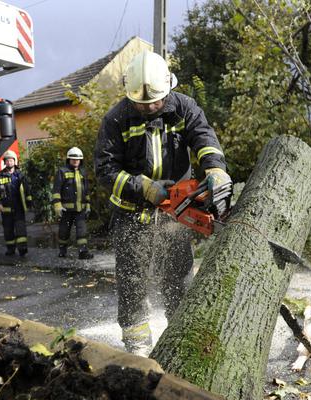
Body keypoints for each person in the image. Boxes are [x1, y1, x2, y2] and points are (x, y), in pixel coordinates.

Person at [94, 50, 232, 356]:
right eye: (142, 103)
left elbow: (203, 135)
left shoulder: (183, 107)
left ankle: (179, 340)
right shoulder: (116, 119)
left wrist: (214, 168)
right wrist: (142, 187)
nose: (150, 107)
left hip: (177, 213)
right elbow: (105, 169)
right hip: (132, 214)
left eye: (155, 101)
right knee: (133, 283)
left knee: (179, 278)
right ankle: (138, 346)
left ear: (168, 88)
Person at [52, 147, 95, 260]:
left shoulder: (83, 172)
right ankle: (62, 250)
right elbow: (56, 190)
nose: (75, 161)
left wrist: (88, 205)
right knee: (64, 231)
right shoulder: (62, 171)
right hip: (66, 210)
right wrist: (57, 205)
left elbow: (86, 190)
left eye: (78, 159)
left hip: (80, 209)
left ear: (81, 160)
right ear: (68, 159)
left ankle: (83, 252)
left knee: (82, 231)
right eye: (73, 159)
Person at [0, 150, 32, 256]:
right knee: (8, 230)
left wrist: (29, 202)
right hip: (6, 209)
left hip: (19, 208)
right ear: (5, 162)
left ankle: (23, 249)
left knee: (21, 230)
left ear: (15, 161)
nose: (9, 162)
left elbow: (27, 190)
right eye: (7, 160)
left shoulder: (21, 175)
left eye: (11, 160)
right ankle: (10, 249)